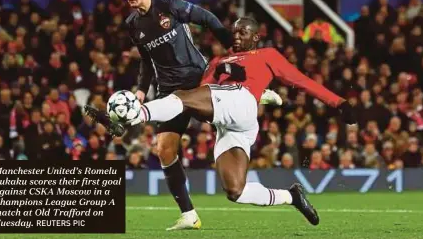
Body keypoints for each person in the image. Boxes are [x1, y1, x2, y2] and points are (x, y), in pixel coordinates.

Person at [125, 17, 357, 225]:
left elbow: (302, 81)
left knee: (181, 97)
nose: (236, 36)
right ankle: (292, 196)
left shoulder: (268, 55)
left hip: (242, 102)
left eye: (242, 33)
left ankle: (133, 114)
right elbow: (202, 91)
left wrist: (339, 103)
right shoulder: (218, 60)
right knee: (236, 190)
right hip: (229, 124)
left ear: (256, 37)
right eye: (234, 32)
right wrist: (220, 72)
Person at [91, 0, 232, 230]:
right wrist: (142, 90)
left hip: (197, 80)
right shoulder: (132, 24)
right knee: (164, 149)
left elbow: (209, 19)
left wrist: (233, 50)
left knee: (229, 121)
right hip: (168, 90)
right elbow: (146, 60)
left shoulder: (170, 6)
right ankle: (189, 214)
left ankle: (257, 93)